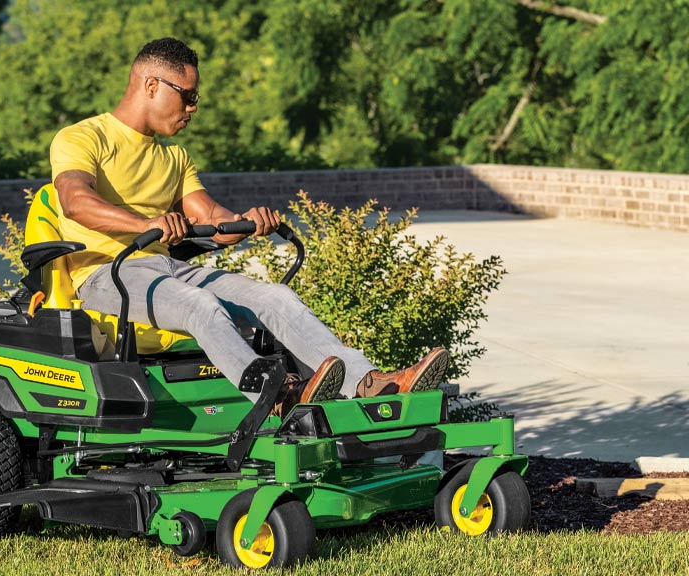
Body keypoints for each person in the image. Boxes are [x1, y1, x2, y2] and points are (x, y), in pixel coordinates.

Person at [49, 37, 448, 415]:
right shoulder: (84, 137)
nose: (193, 108)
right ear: (152, 85)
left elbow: (210, 218)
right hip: (107, 274)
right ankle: (276, 394)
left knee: (276, 298)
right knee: (200, 306)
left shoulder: (174, 159)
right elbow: (74, 200)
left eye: (196, 99)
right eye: (188, 96)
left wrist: (248, 223)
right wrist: (146, 224)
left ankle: (372, 382)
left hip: (167, 269)